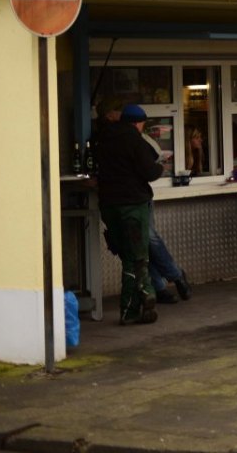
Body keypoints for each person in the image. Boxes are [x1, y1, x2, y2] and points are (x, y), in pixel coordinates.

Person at [95, 103, 163, 325]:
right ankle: (141, 297)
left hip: (108, 207)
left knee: (127, 257)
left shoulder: (103, 138)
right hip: (133, 206)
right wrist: (161, 167)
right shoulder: (135, 140)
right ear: (138, 123)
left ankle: (137, 304)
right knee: (138, 258)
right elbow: (149, 172)